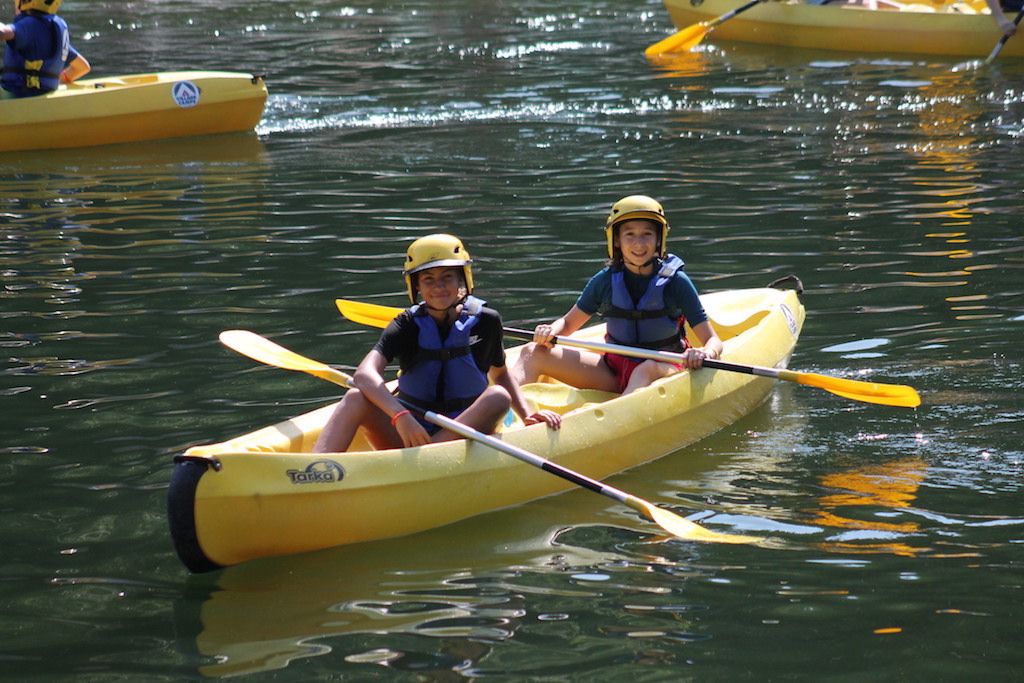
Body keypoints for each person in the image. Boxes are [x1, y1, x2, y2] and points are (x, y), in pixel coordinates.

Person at [313, 233, 561, 454]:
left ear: (462, 280)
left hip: (464, 430)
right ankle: (315, 469)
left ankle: (431, 454)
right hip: (409, 432)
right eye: (428, 279)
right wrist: (400, 415)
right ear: (417, 286)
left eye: (447, 277)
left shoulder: (486, 321)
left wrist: (527, 414)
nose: (438, 286)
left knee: (498, 395)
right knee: (356, 397)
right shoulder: (406, 324)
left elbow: (502, 374)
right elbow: (365, 374)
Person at [512, 195, 723, 396]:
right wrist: (550, 330)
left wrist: (706, 353)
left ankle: (616, 422)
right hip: (613, 369)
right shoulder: (605, 280)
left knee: (645, 369)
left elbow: (712, 340)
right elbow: (567, 324)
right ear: (617, 241)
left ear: (659, 239)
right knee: (533, 352)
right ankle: (507, 412)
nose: (639, 243)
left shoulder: (677, 282)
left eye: (647, 234)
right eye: (629, 234)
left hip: (664, 369)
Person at [1, 0, 90, 100]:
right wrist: (53, 81)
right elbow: (82, 67)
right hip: (44, 95)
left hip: (18, 95)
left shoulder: (29, 25)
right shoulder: (53, 30)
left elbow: (2, 33)